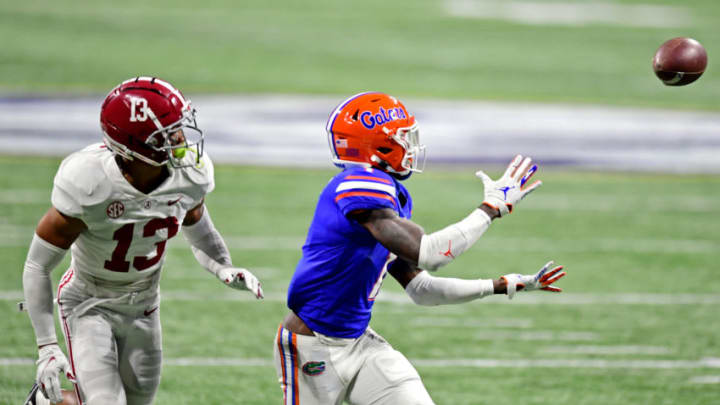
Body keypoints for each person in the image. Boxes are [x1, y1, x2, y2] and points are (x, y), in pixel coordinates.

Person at [273, 92, 566, 405]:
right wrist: (491, 208)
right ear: (377, 146)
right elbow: (432, 253)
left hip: (359, 343)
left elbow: (422, 288)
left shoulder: (390, 196)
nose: (411, 147)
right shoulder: (358, 184)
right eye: (403, 138)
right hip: (313, 345)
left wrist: (500, 285)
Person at [22, 77, 264, 405]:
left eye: (179, 125)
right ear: (134, 146)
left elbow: (198, 226)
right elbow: (38, 264)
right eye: (167, 133)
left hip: (145, 305)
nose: (181, 137)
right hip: (89, 302)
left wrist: (223, 267)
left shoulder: (189, 173)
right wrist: (47, 347)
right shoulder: (90, 182)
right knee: (107, 401)